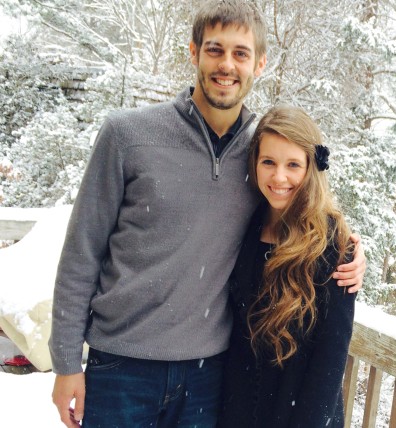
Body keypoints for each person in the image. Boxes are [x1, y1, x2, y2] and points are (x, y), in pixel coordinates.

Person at [48, 2, 365, 427]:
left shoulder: (263, 152)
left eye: (240, 53)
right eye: (215, 50)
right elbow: (81, 253)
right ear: (194, 52)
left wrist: (349, 248)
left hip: (210, 377)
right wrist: (67, 362)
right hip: (122, 368)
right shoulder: (128, 134)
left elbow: (304, 198)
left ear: (260, 63)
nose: (227, 65)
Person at [217, 105, 355, 427]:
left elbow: (331, 360)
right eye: (269, 162)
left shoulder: (333, 244)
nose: (279, 177)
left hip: (297, 413)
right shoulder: (246, 226)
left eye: (293, 164)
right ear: (254, 164)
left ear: (311, 167)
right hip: (238, 409)